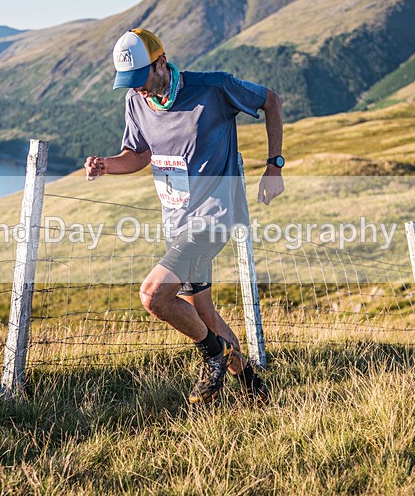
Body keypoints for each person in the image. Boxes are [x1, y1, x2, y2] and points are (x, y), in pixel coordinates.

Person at [84, 28, 284, 404]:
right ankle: (254, 389)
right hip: (177, 221)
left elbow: (270, 100)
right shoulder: (135, 101)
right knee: (203, 312)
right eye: (129, 83)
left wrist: (274, 166)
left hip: (215, 216)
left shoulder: (214, 88)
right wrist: (107, 166)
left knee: (153, 296)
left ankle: (212, 357)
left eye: (141, 79)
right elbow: (139, 154)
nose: (138, 89)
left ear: (161, 63)